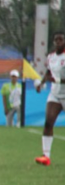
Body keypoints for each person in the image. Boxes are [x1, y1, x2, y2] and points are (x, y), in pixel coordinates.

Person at [34, 31, 65, 166]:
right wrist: (41, 84)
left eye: (61, 39)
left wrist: (56, 80)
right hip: (55, 94)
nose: (58, 42)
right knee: (48, 122)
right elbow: (48, 73)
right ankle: (46, 157)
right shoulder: (51, 57)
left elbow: (55, 78)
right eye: (56, 40)